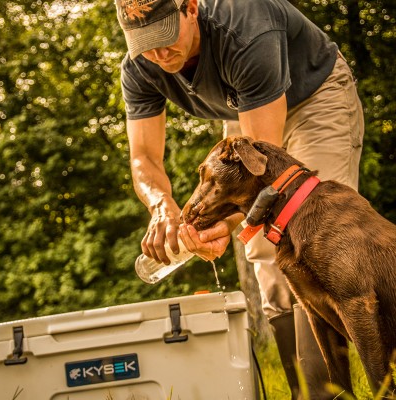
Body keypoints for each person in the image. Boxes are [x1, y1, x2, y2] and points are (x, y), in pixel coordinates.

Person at [115, 0, 364, 398]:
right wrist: (163, 206)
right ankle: (304, 392)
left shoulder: (246, 30)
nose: (159, 55)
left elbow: (264, 179)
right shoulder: (139, 66)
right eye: (145, 44)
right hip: (246, 106)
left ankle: (328, 394)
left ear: (191, 8)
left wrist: (226, 222)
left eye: (165, 37)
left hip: (314, 96)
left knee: (313, 235)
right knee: (265, 250)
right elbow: (144, 158)